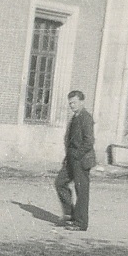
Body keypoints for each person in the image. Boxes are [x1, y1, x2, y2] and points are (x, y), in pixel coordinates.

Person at [54, 90, 96, 232]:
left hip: (81, 159)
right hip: (72, 158)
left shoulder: (86, 118)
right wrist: (68, 157)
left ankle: (81, 223)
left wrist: (77, 155)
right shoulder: (74, 118)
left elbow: (89, 141)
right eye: (70, 103)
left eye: (74, 102)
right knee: (59, 182)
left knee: (81, 190)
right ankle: (69, 214)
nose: (72, 105)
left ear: (82, 102)